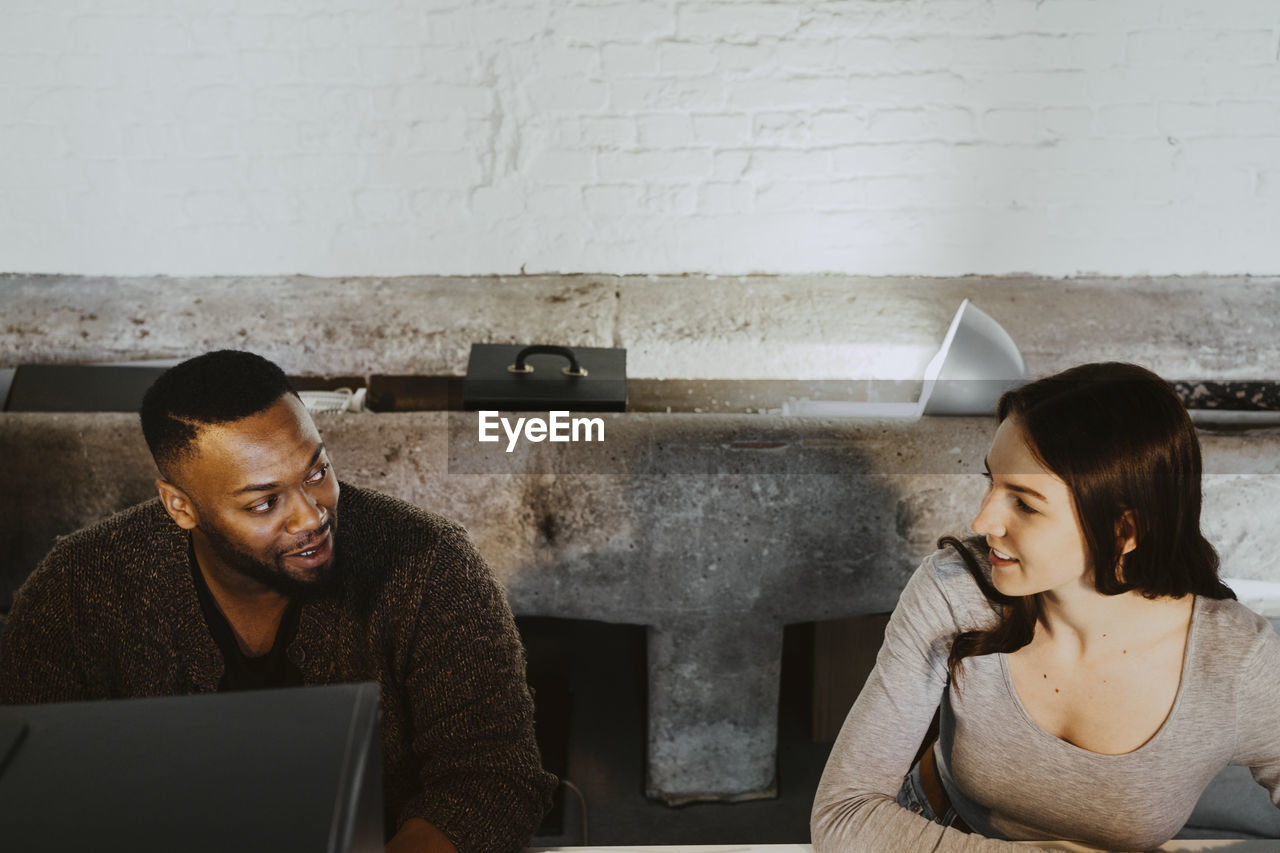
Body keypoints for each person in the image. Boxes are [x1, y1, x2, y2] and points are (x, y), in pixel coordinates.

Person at [0, 350, 557, 853]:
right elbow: (26, 786)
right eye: (264, 503)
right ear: (181, 507)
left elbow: (495, 774)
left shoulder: (430, 562)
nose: (312, 517)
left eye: (317, 472)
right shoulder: (77, 587)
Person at [811, 362, 1280, 851]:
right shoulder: (954, 589)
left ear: (1125, 532)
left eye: (1026, 503)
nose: (984, 519)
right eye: (991, 481)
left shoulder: (1239, 662)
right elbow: (844, 815)